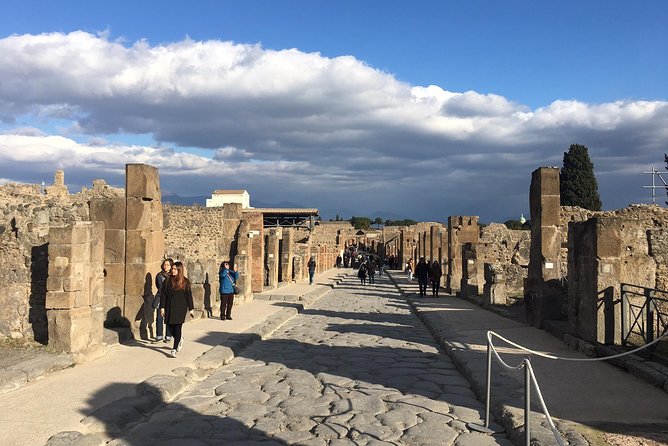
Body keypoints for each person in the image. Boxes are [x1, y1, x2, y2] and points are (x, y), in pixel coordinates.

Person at [160, 261, 194, 358]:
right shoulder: (167, 281)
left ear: (179, 270)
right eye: (172, 269)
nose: (173, 270)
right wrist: (162, 307)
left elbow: (189, 296)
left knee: (178, 327)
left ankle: (174, 349)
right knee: (170, 327)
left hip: (180, 308)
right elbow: (164, 295)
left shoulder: (185, 282)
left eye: (175, 269)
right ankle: (179, 339)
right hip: (169, 307)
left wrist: (191, 309)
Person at [153, 258, 173, 343]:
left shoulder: (173, 276)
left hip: (170, 298)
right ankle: (159, 336)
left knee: (168, 318)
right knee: (159, 318)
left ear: (171, 266)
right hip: (161, 297)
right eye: (164, 265)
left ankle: (168, 336)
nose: (165, 266)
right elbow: (159, 287)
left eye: (168, 265)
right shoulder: (159, 275)